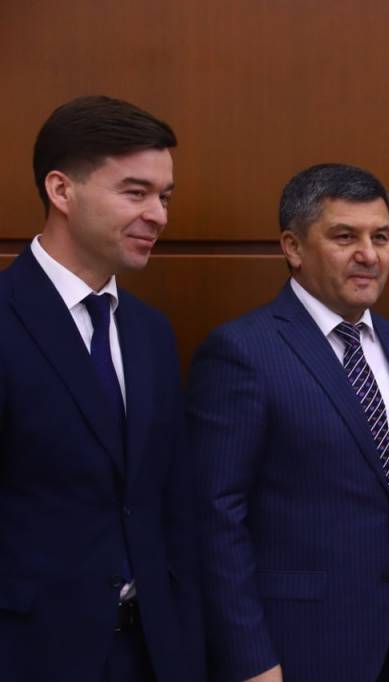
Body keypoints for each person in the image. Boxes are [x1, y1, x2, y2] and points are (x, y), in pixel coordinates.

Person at [188, 163, 389, 682]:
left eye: (381, 237)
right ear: (293, 247)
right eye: (344, 237)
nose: (369, 255)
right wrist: (250, 659)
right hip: (291, 649)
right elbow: (214, 519)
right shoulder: (242, 352)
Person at [0, 96, 202, 681]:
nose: (158, 215)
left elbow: (172, 506)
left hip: (151, 654)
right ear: (61, 190)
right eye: (135, 193)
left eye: (164, 197)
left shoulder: (150, 333)